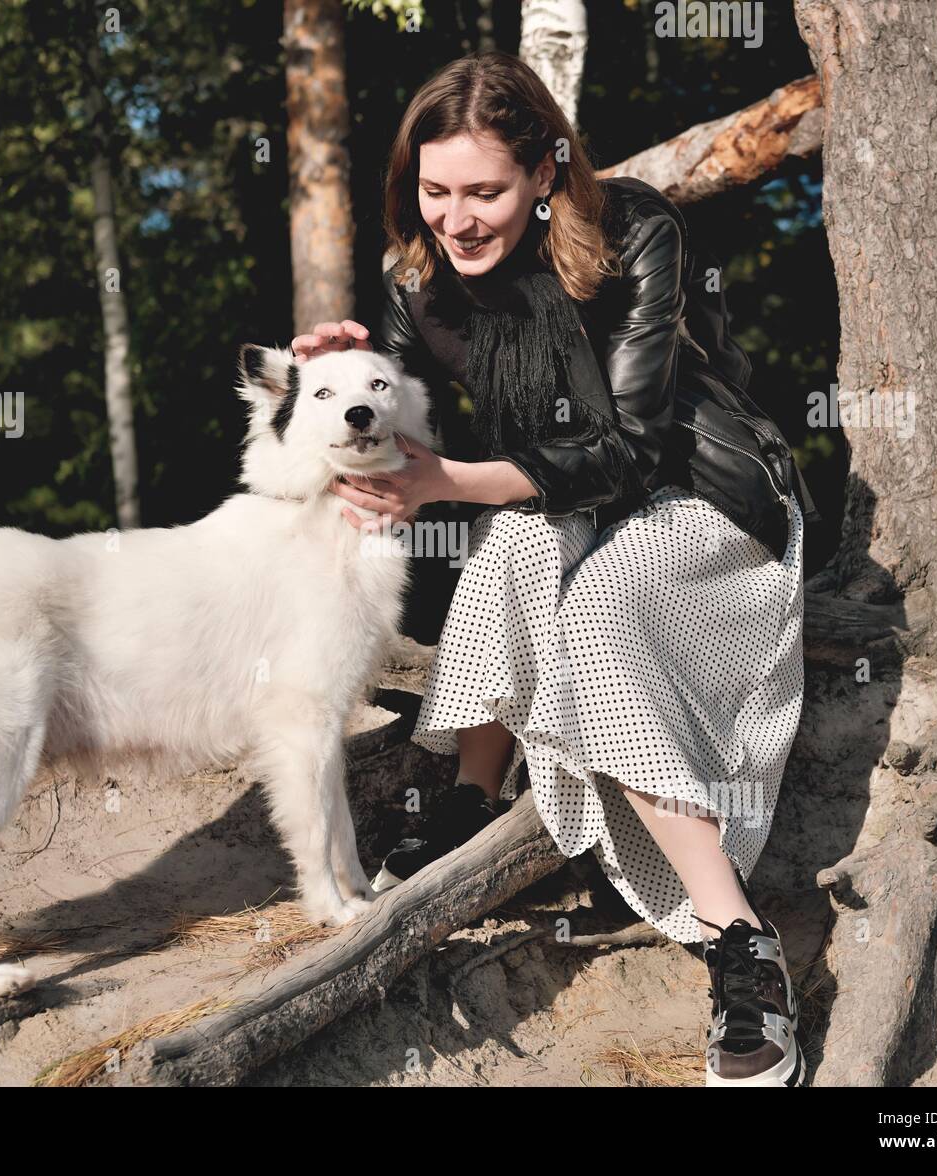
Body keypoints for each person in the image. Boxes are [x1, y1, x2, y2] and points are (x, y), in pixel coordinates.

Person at [291, 51, 807, 1088]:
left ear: (543, 172)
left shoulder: (634, 230)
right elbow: (397, 447)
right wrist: (339, 382)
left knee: (598, 602)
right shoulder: (416, 282)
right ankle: (472, 803)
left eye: (484, 191)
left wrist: (448, 480)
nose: (458, 218)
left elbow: (632, 449)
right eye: (435, 192)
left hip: (699, 497)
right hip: (564, 509)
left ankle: (739, 942)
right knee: (510, 553)